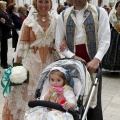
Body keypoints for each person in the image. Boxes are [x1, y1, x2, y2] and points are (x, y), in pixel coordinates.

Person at [2, 0, 59, 120]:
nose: (43, 5)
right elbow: (22, 48)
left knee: (49, 93)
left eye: (46, 2)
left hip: (50, 64)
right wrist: (17, 68)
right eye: (40, 2)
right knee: (28, 95)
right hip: (32, 63)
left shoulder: (57, 20)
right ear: (35, 3)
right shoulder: (29, 22)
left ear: (51, 3)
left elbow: (59, 42)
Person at [55, 0, 110, 120]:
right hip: (72, 64)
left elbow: (105, 39)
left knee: (93, 102)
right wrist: (72, 56)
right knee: (72, 99)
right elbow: (58, 43)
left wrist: (97, 59)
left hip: (92, 63)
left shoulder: (100, 13)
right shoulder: (63, 15)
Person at [102, 1, 120, 72]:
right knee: (113, 50)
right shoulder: (112, 15)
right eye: (119, 6)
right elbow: (116, 27)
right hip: (114, 35)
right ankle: (111, 67)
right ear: (116, 7)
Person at [0, 1, 14, 69]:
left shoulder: (5, 12)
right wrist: (11, 26)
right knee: (4, 49)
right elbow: (5, 24)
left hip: (5, 33)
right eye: (4, 5)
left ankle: (4, 62)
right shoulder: (1, 13)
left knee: (5, 49)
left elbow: (9, 20)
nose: (6, 6)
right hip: (4, 33)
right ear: (1, 6)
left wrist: (10, 23)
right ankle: (4, 63)